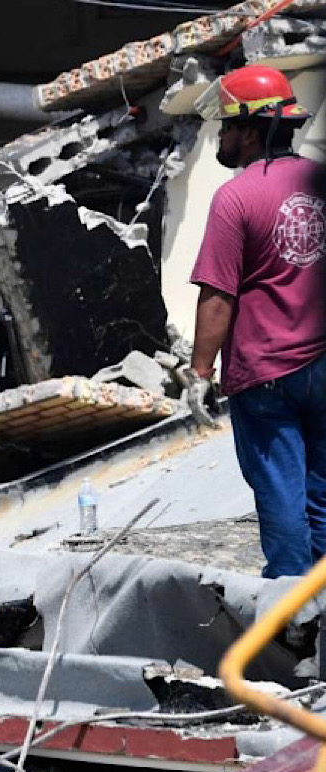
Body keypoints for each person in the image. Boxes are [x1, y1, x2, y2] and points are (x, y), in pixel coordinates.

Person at [189, 64, 326, 578]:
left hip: (266, 374)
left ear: (249, 130)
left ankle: (294, 623)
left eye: (224, 127)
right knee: (324, 499)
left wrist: (199, 374)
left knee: (281, 500)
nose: (220, 138)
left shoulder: (235, 198)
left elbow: (218, 297)